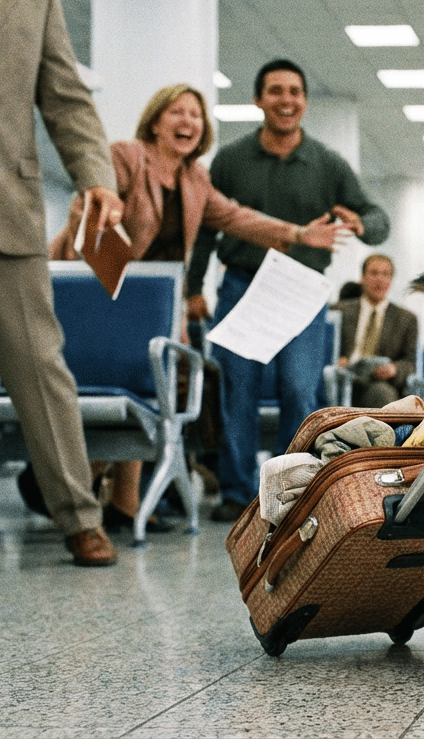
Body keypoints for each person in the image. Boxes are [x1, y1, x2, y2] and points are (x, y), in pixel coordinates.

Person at [46, 84, 344, 532]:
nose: (188, 122)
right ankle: (79, 489)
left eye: (196, 115)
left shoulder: (194, 179)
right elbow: (88, 208)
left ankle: (125, 504)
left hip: (154, 307)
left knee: (151, 389)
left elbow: (236, 217)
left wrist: (298, 234)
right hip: (105, 292)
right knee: (127, 384)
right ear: (155, 121)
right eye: (177, 113)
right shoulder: (126, 157)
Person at [187, 59, 390, 522]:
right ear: (258, 100)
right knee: (238, 389)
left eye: (295, 92)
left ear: (305, 102)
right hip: (242, 286)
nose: (286, 100)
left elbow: (378, 218)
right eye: (276, 91)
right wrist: (193, 288)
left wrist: (362, 223)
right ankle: (237, 492)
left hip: (301, 291)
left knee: (299, 388)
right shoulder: (230, 161)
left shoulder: (327, 164)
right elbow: (205, 229)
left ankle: (290, 490)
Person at [0, 0, 124, 566]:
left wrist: (96, 177)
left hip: (6, 213)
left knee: (41, 371)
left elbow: (67, 102)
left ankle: (79, 517)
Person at [332, 254, 419, 408]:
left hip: (377, 382)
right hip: (342, 378)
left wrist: (394, 369)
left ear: (391, 280)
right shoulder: (339, 311)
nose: (380, 279)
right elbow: (321, 350)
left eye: (385, 274)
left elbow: (410, 363)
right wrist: (334, 360)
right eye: (374, 273)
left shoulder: (406, 319)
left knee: (383, 394)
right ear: (362, 278)